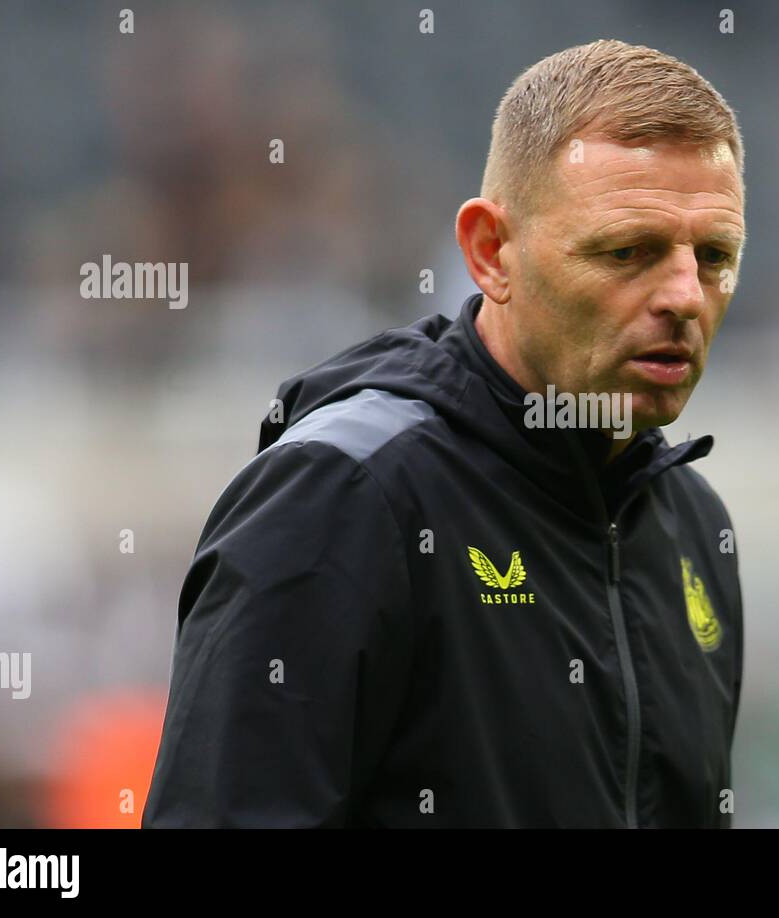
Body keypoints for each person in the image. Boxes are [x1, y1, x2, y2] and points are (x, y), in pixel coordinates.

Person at [142, 38, 746, 828]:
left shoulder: (693, 526)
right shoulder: (342, 495)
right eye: (627, 251)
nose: (684, 296)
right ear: (491, 253)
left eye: (713, 256)